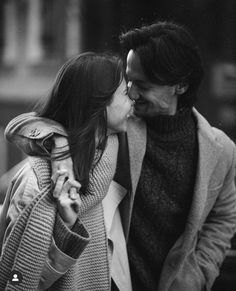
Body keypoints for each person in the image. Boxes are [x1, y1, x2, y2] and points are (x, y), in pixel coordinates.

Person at [3, 21, 236, 291]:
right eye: (128, 85)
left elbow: (223, 218)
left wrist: (197, 273)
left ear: (180, 86)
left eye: (142, 85)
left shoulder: (221, 150)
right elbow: (37, 122)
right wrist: (60, 151)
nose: (133, 94)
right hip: (111, 278)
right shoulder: (115, 129)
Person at [0, 52, 134, 290]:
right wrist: (68, 225)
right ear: (100, 102)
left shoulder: (108, 160)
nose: (133, 101)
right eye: (125, 94)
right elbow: (15, 276)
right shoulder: (37, 181)